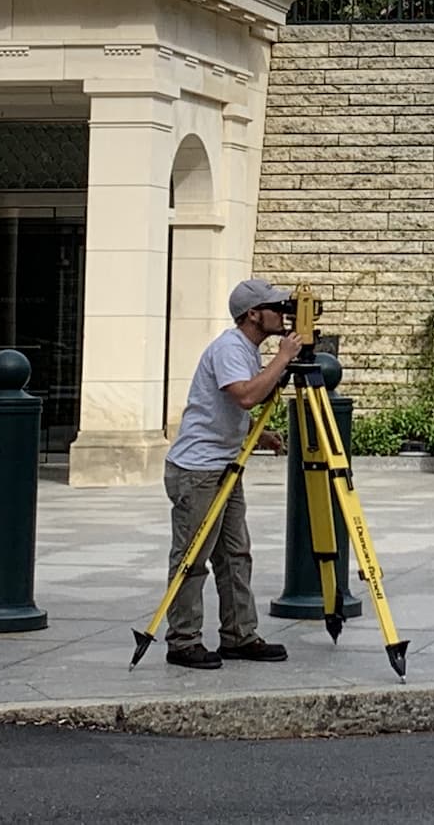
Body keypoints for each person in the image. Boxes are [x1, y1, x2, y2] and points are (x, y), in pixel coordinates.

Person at [161, 278, 306, 669]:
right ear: (253, 314)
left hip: (224, 465)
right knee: (193, 557)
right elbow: (243, 396)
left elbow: (227, 412)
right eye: (276, 306)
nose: (284, 313)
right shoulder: (230, 348)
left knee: (235, 555)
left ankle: (239, 634)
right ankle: (183, 640)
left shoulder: (246, 350)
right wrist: (284, 358)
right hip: (198, 471)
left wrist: (258, 437)